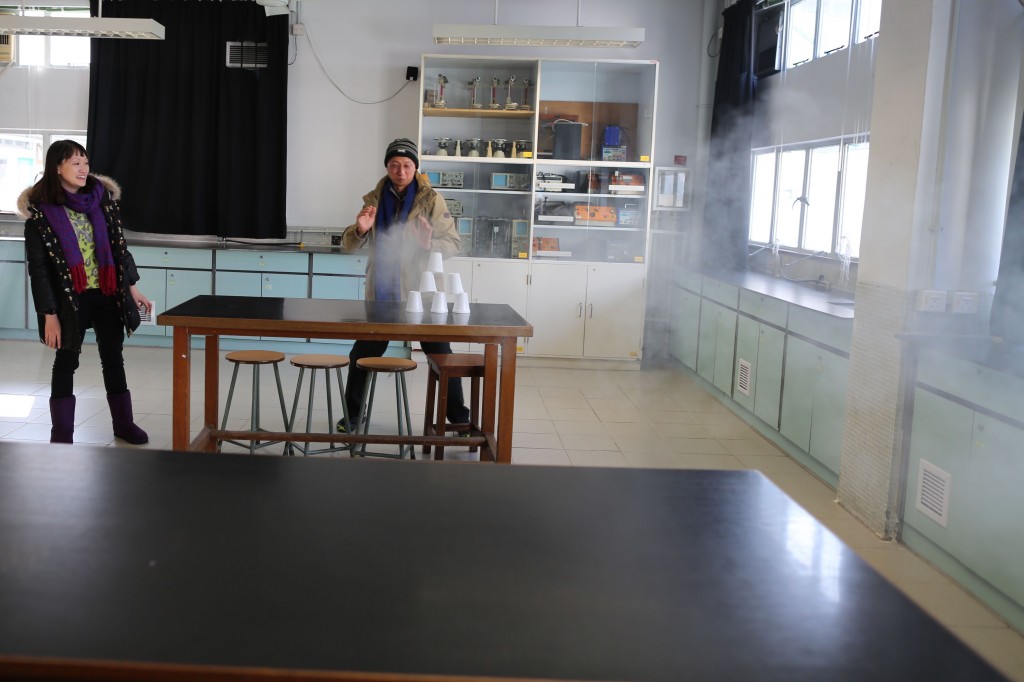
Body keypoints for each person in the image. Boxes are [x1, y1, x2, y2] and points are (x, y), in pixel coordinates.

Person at [17, 139, 152, 445]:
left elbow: (119, 250)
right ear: (57, 167)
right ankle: (61, 434)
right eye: (75, 162)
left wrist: (132, 287)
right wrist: (49, 315)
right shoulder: (41, 217)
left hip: (106, 293)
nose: (83, 169)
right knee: (66, 362)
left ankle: (124, 424)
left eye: (86, 162)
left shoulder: (101, 202)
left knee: (113, 358)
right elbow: (39, 272)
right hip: (69, 299)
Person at [338, 138, 470, 432]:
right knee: (361, 355)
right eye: (394, 165)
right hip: (382, 293)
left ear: (415, 168)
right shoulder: (373, 199)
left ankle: (459, 418)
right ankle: (353, 416)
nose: (401, 171)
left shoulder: (432, 200)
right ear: (387, 167)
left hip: (422, 293)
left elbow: (453, 244)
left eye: (407, 165)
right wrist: (359, 230)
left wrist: (428, 244)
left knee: (442, 355)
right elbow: (348, 246)